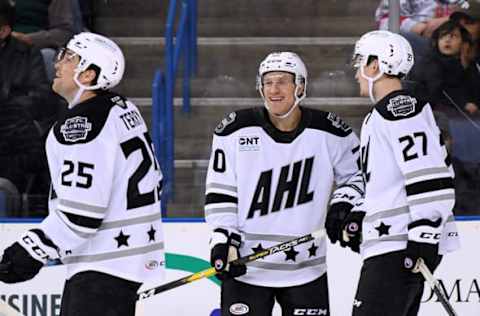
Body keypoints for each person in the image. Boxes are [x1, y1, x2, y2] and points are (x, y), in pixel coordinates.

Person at [0, 32, 165, 316]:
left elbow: (82, 215)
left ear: (87, 75)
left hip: (103, 265)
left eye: (68, 57)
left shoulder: (82, 125)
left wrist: (29, 250)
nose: (58, 63)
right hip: (129, 257)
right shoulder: (122, 108)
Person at [204, 51, 364, 315]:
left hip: (307, 270)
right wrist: (223, 240)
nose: (274, 90)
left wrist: (344, 203)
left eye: (282, 81)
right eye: (267, 82)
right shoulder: (234, 130)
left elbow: (360, 177)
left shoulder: (332, 132)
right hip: (247, 270)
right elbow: (221, 192)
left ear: (300, 86)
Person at [340, 30, 460, 315]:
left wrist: (425, 236)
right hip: (390, 244)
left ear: (376, 65)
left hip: (400, 245)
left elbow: (429, 175)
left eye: (361, 63)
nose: (357, 72)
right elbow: (388, 181)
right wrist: (362, 213)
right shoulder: (381, 115)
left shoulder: (400, 109)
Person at [0, 0, 54, 208]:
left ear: (4, 31)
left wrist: (8, 107)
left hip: (16, 134)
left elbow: (41, 95)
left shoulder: (28, 54)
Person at [12, 0, 77, 81]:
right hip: (6, 41)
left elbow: (65, 33)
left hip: (39, 48)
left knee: (46, 56)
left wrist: (26, 38)